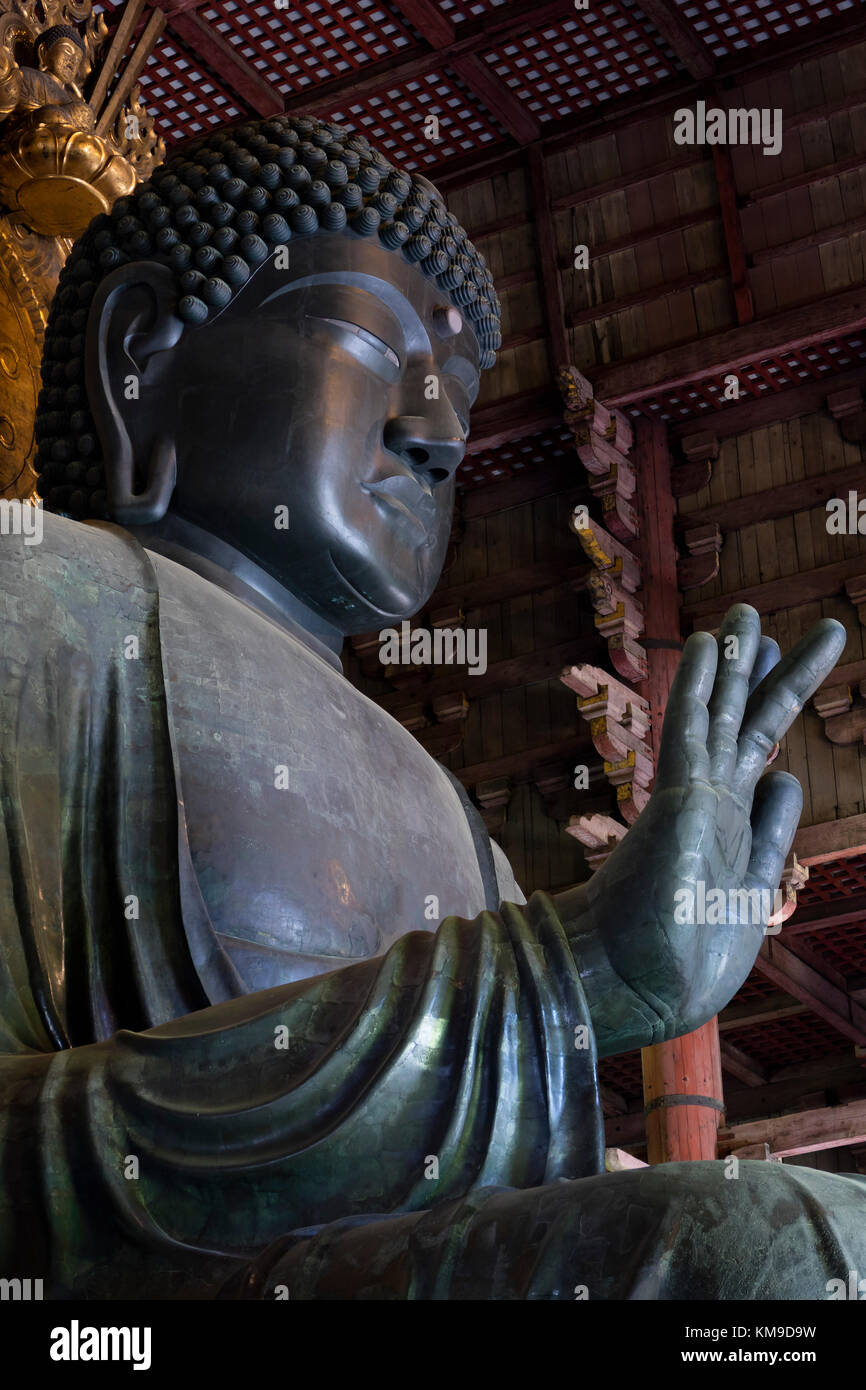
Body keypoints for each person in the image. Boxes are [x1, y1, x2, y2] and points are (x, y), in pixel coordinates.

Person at [0, 112, 862, 1300]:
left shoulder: (448, 806)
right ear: (138, 352)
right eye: (374, 342)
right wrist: (568, 972)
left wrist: (587, 998)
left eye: (457, 388)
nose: (440, 432)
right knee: (764, 1258)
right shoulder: (34, 600)